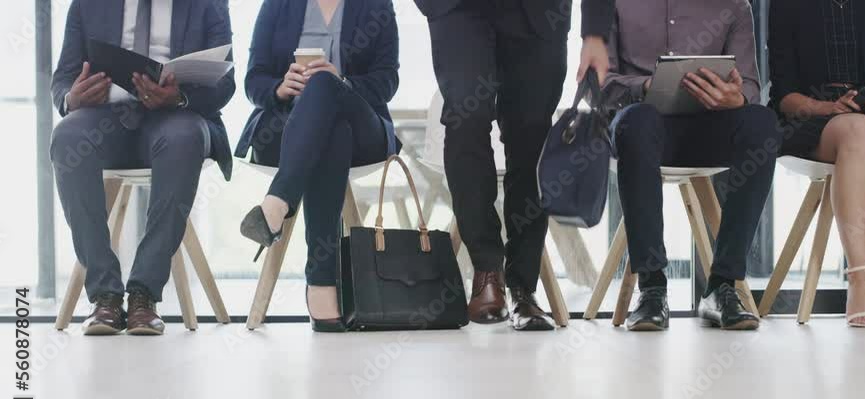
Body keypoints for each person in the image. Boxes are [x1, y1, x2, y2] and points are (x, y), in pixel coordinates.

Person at [414, 0, 613, 331]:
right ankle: (487, 271)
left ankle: (523, 286)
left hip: (539, 14)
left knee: (531, 136)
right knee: (465, 118)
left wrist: (595, 32)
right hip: (459, 11)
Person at [51, 0, 235, 336]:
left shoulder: (208, 4)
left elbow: (225, 84)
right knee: (66, 137)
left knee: (184, 138)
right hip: (105, 118)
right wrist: (71, 98)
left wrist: (179, 97)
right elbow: (63, 78)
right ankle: (105, 296)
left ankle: (144, 295)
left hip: (175, 118)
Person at [603, 0, 780, 331]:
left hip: (707, 128)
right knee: (637, 121)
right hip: (641, 129)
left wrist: (736, 97)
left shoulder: (734, 6)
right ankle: (652, 289)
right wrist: (645, 87)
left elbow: (750, 85)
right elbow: (599, 85)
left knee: (763, 124)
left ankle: (722, 286)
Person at [236, 0, 400, 332]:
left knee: (325, 84)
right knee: (333, 134)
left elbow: (387, 80)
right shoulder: (278, 4)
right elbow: (253, 80)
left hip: (362, 125)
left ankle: (277, 203)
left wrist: (342, 82)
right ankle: (321, 283)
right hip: (287, 129)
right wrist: (279, 88)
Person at [769, 0, 865, 328]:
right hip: (812, 115)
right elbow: (784, 96)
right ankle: (857, 279)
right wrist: (827, 107)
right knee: (858, 129)